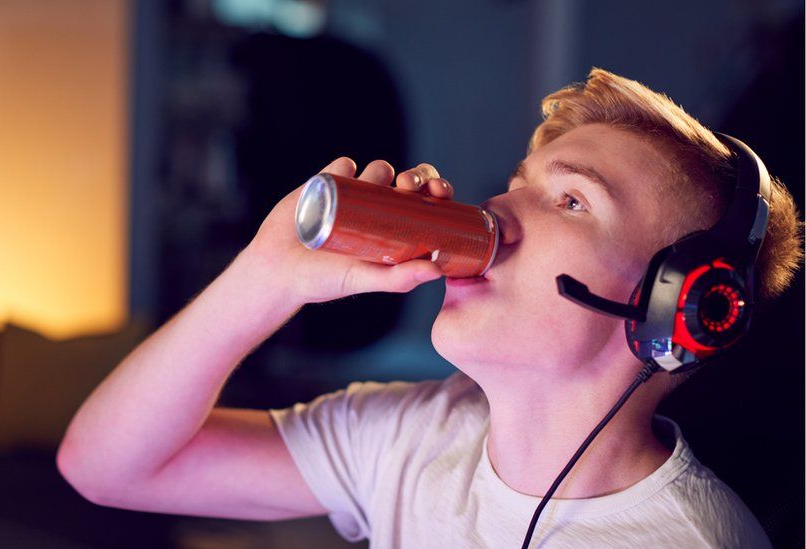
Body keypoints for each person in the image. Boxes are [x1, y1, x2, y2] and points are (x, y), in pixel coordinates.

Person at [56, 69, 802, 547]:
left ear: (674, 306)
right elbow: (106, 467)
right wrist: (265, 275)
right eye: (518, 181)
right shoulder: (414, 436)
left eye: (570, 201)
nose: (501, 209)